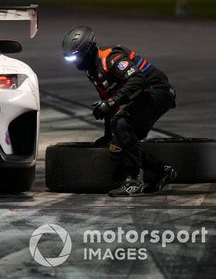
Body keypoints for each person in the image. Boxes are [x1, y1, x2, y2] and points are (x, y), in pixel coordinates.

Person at [61, 26, 177, 197]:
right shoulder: (91, 70)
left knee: (122, 123)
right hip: (142, 95)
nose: (75, 62)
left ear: (88, 50)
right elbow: (111, 101)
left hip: (158, 91)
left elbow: (137, 80)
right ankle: (161, 170)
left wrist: (109, 104)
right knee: (117, 142)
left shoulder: (111, 57)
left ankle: (133, 180)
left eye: (76, 57)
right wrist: (108, 134)